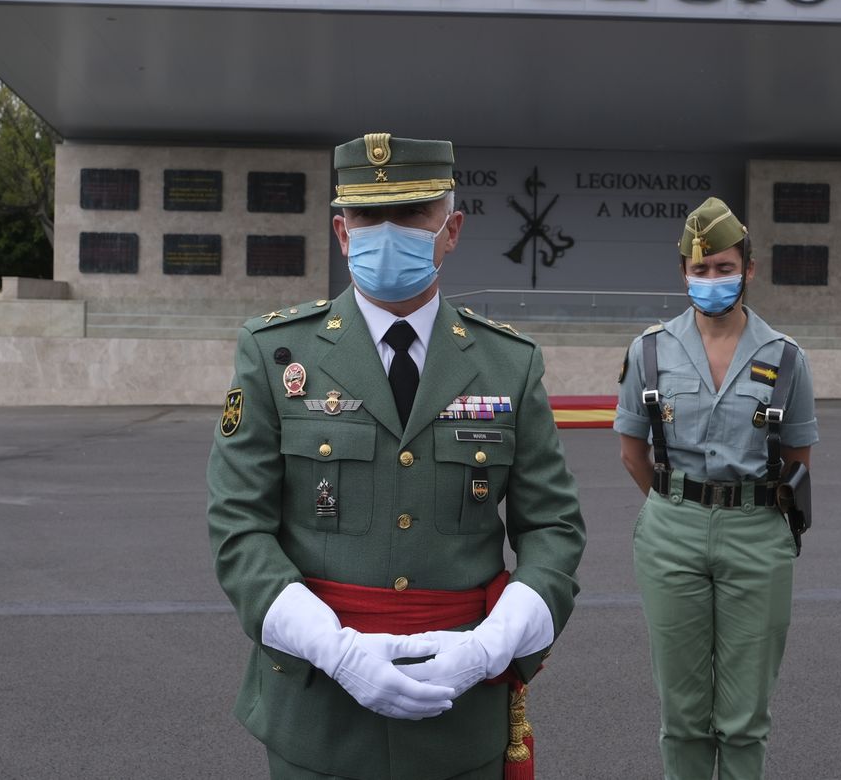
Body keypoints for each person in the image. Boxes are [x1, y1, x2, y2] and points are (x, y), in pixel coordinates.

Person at [207, 132, 586, 779]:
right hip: (319, 716)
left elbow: (553, 528)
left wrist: (492, 647)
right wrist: (335, 649)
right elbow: (239, 531)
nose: (388, 232)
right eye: (368, 216)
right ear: (342, 231)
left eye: (410, 214)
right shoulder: (277, 356)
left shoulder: (508, 364)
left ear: (451, 228)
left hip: (461, 713)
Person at [614, 198, 819, 780]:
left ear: (748, 271)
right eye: (700, 270)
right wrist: (681, 503)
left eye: (724, 268)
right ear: (683, 271)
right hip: (671, 528)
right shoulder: (649, 350)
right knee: (681, 712)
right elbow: (632, 453)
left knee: (745, 716)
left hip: (757, 531)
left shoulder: (785, 358)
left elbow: (796, 462)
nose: (712, 280)